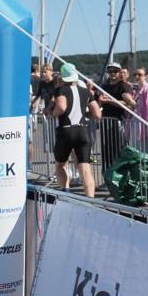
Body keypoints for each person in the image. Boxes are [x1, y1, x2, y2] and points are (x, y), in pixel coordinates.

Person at [52, 63, 101, 198]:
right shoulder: (86, 91)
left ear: (62, 76)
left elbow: (61, 107)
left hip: (66, 130)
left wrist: (52, 113)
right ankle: (91, 200)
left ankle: (65, 193)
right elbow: (97, 114)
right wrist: (86, 115)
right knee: (84, 167)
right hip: (82, 131)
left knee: (61, 164)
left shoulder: (60, 90)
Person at [96, 62, 135, 176]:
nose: (112, 73)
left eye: (115, 71)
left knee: (118, 149)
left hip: (119, 121)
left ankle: (120, 176)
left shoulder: (124, 86)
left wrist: (110, 101)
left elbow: (128, 103)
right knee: (106, 150)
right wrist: (100, 101)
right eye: (110, 71)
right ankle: (107, 175)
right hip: (105, 121)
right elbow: (99, 103)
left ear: (119, 72)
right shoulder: (104, 86)